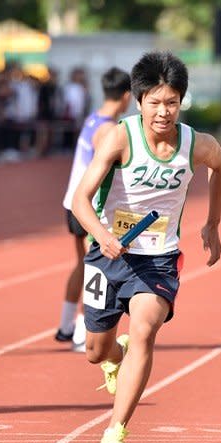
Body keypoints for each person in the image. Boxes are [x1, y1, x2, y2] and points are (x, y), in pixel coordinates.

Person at [73, 51, 221, 443]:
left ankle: (115, 431)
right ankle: (114, 359)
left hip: (158, 259)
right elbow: (80, 200)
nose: (163, 112)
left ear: (181, 103)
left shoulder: (197, 143)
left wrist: (212, 223)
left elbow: (219, 165)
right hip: (108, 256)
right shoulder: (120, 137)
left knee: (144, 329)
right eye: (155, 102)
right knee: (94, 350)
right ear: (138, 101)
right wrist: (103, 236)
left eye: (172, 102)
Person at [56, 67, 131, 352]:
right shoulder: (108, 129)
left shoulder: (92, 119)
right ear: (126, 96)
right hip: (88, 207)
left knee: (82, 264)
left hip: (71, 202)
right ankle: (84, 331)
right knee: (95, 269)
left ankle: (66, 326)